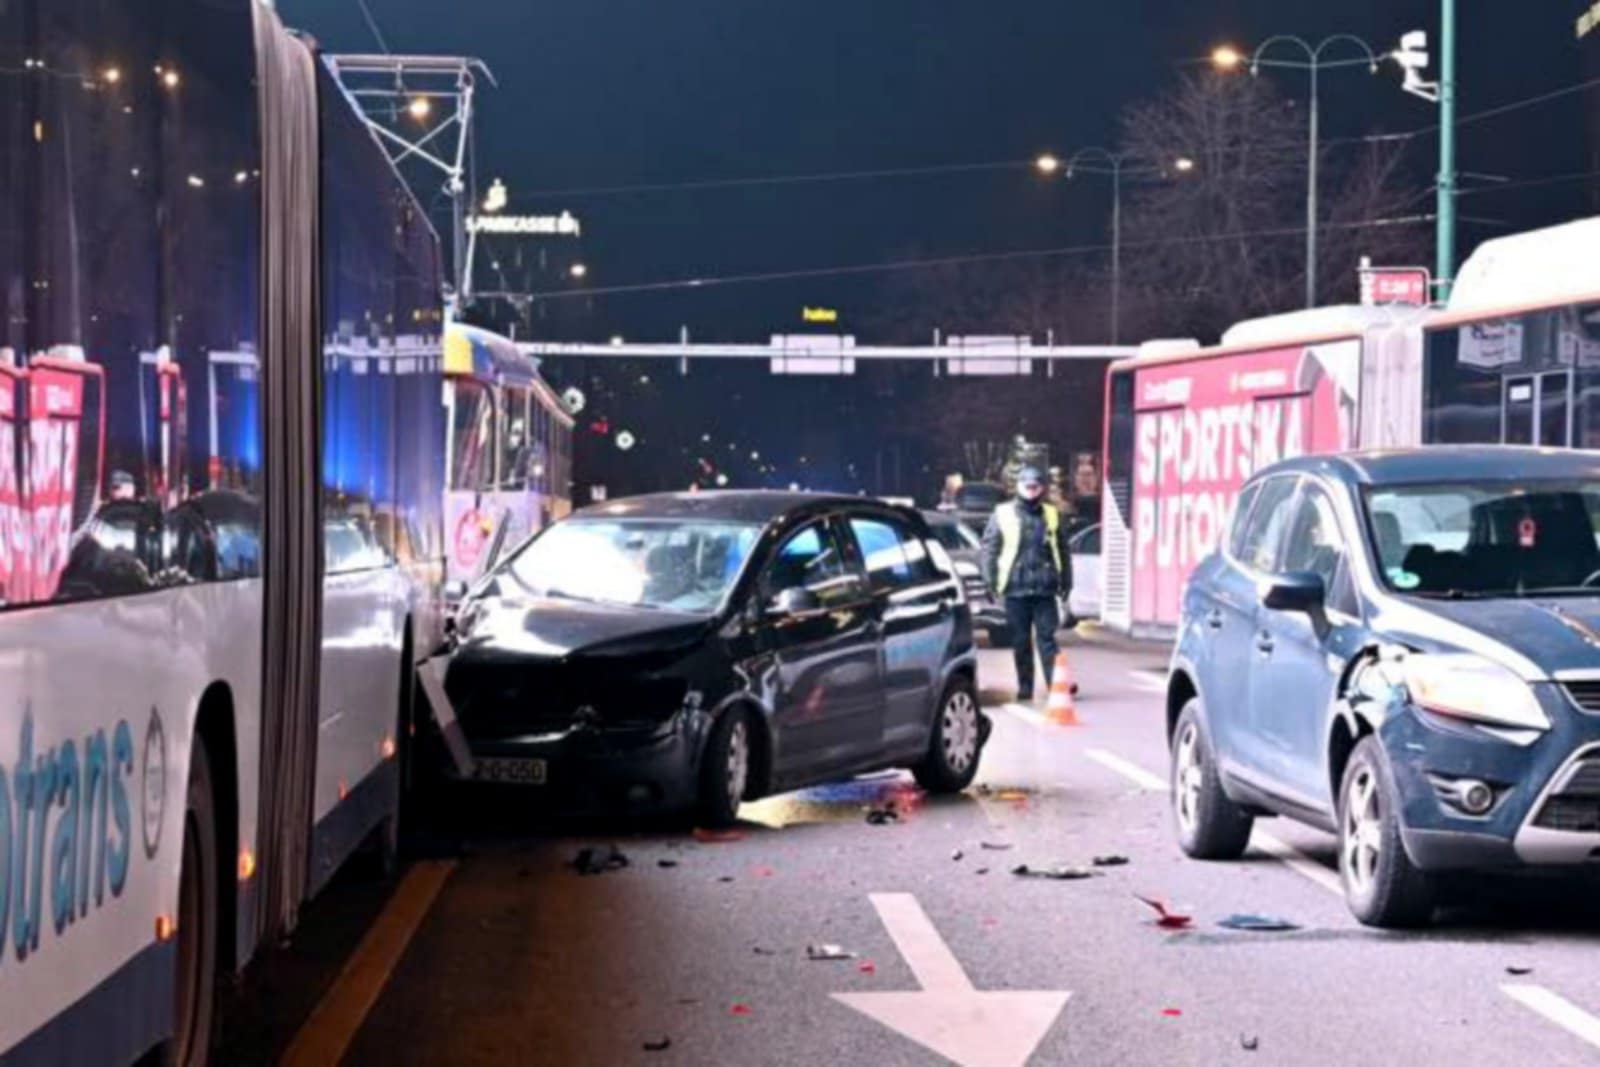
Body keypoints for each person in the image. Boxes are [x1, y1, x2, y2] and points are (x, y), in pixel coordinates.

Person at [981, 465, 1073, 702]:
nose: (1032, 491)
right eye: (1028, 486)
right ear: (1019, 487)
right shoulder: (1002, 513)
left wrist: (1066, 582)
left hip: (1044, 590)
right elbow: (989, 550)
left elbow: (1062, 550)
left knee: (1047, 638)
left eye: (1036, 486)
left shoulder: (1052, 514)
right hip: (1015, 590)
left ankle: (1056, 683)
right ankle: (1025, 686)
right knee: (1021, 641)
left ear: (1042, 487)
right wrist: (989, 581)